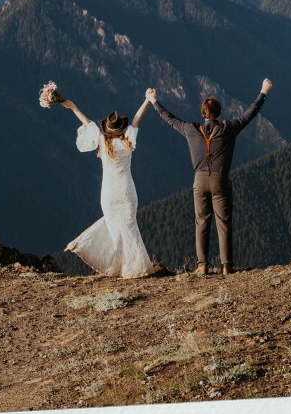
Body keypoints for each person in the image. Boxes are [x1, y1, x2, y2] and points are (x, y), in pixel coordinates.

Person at [146, 80, 273, 276]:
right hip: (220, 181)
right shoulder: (228, 128)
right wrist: (263, 92)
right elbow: (250, 113)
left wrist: (154, 101)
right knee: (224, 222)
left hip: (199, 181)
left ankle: (202, 265)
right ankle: (227, 266)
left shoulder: (190, 130)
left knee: (202, 221)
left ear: (203, 114)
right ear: (219, 114)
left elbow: (169, 118)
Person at [60, 95, 159, 278]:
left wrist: (73, 107)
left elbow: (87, 123)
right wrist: (147, 99)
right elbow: (138, 117)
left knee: (115, 232)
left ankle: (120, 269)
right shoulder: (128, 140)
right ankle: (134, 269)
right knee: (130, 229)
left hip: (109, 193)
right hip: (127, 191)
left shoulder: (103, 142)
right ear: (122, 129)